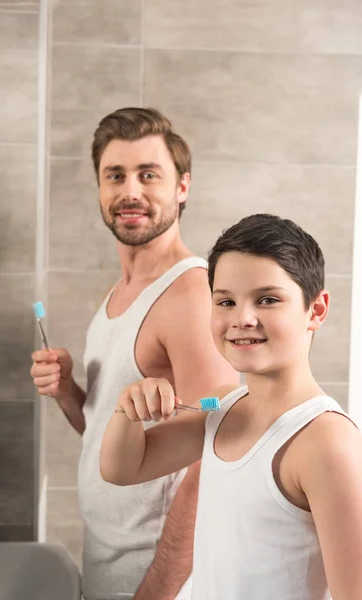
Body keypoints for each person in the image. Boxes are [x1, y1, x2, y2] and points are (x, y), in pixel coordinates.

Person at [30, 107, 238, 600]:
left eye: (149, 175)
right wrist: (66, 393)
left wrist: (157, 591)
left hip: (156, 579)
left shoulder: (189, 295)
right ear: (99, 188)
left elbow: (211, 456)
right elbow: (116, 434)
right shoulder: (118, 294)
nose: (130, 192)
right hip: (108, 566)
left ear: (182, 187)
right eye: (115, 175)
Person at [101, 213, 362, 600]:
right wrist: (128, 408)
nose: (242, 318)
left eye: (268, 299)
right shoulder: (224, 406)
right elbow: (121, 469)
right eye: (226, 301)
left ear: (316, 310)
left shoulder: (325, 441)